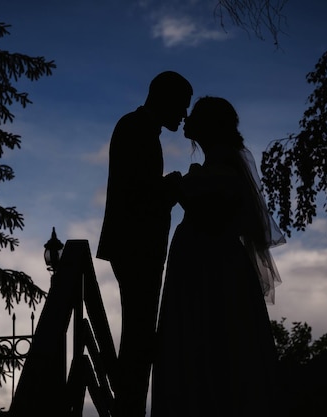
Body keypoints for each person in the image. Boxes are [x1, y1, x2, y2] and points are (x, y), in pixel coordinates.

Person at [150, 96, 286, 417]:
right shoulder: (218, 165)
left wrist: (181, 189)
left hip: (210, 270)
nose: (186, 118)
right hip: (205, 265)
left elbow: (213, 216)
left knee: (209, 340)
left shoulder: (223, 168)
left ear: (208, 125)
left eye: (193, 114)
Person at [96, 71, 193, 417]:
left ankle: (129, 404)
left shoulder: (137, 128)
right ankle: (130, 407)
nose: (183, 116)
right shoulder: (136, 130)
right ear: (164, 99)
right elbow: (139, 196)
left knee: (139, 333)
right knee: (139, 336)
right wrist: (172, 186)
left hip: (135, 247)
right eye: (181, 106)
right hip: (135, 248)